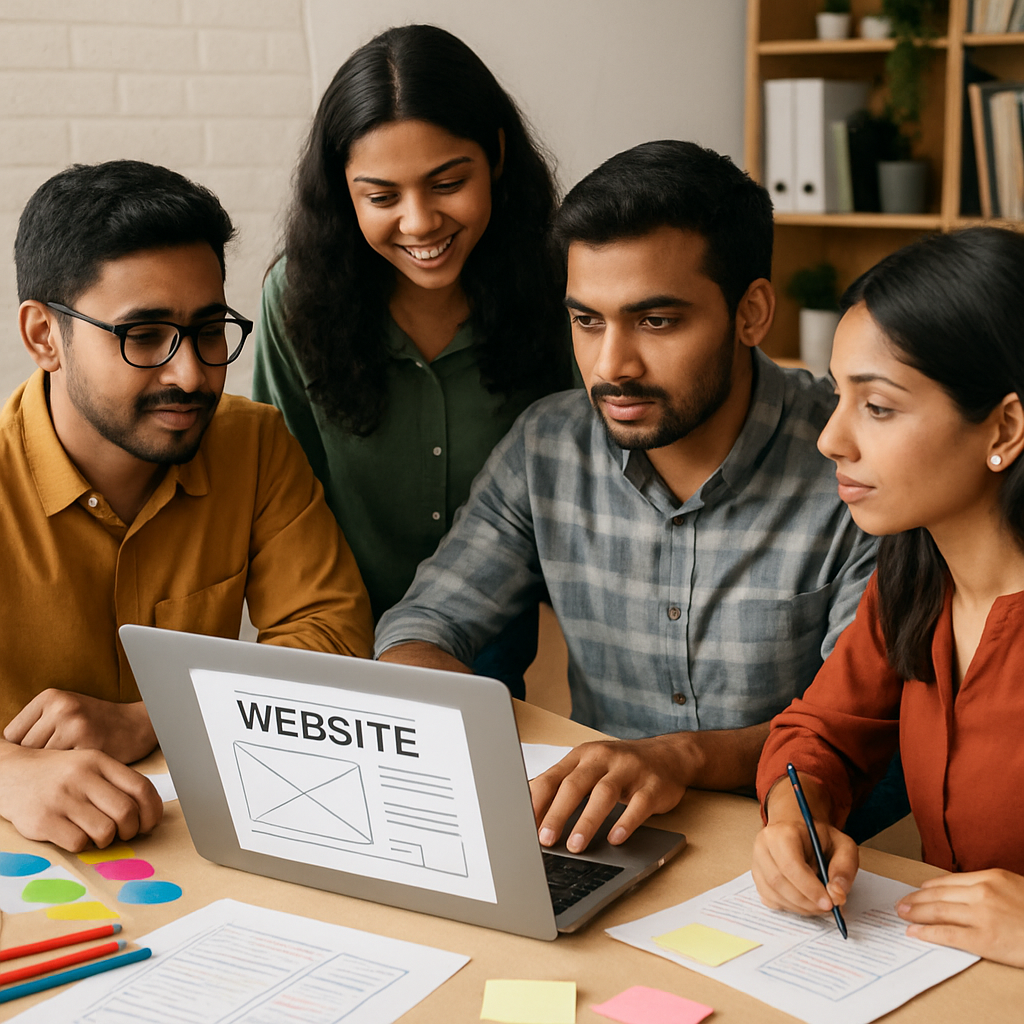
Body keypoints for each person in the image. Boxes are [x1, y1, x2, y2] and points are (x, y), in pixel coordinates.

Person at [376, 140, 877, 854]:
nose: (612, 365)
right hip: (599, 839)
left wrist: (679, 757)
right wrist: (460, 727)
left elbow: (856, 722)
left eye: (657, 321)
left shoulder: (854, 465)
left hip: (794, 846)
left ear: (751, 312)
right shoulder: (547, 445)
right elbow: (422, 624)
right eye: (587, 321)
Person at [0, 160, 374, 853]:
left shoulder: (253, 443)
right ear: (44, 337)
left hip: (201, 834)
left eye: (208, 330)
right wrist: (7, 773)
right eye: (143, 336)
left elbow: (332, 638)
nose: (192, 374)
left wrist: (151, 719)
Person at [252, 25, 573, 698]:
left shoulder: (561, 286)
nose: (420, 222)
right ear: (343, 189)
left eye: (448, 182)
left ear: (498, 156)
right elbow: (286, 490)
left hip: (492, 632)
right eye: (382, 196)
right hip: (341, 635)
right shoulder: (296, 298)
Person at [752, 227, 1024, 969]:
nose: (831, 440)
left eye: (877, 407)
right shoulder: (914, 572)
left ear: (1004, 426)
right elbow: (822, 732)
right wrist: (794, 815)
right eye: (839, 394)